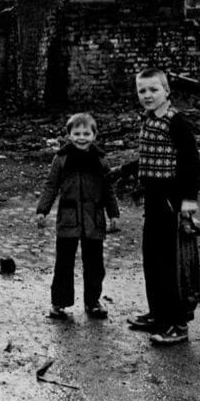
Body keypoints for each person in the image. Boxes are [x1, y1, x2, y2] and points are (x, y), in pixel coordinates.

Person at [125, 68, 200, 346]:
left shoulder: (176, 122)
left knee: (173, 266)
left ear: (167, 91)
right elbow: (151, 156)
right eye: (142, 90)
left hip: (172, 201)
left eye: (153, 90)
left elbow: (191, 164)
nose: (147, 95)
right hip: (154, 200)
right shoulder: (147, 119)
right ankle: (158, 314)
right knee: (153, 260)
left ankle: (178, 323)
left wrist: (188, 204)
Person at [35, 113, 119, 321]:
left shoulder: (100, 160)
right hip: (68, 218)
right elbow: (51, 186)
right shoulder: (61, 158)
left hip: (94, 219)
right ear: (69, 135)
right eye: (77, 133)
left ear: (94, 135)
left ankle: (93, 302)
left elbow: (109, 188)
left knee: (95, 264)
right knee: (63, 262)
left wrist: (114, 214)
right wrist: (42, 210)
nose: (82, 137)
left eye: (86, 133)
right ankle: (59, 303)